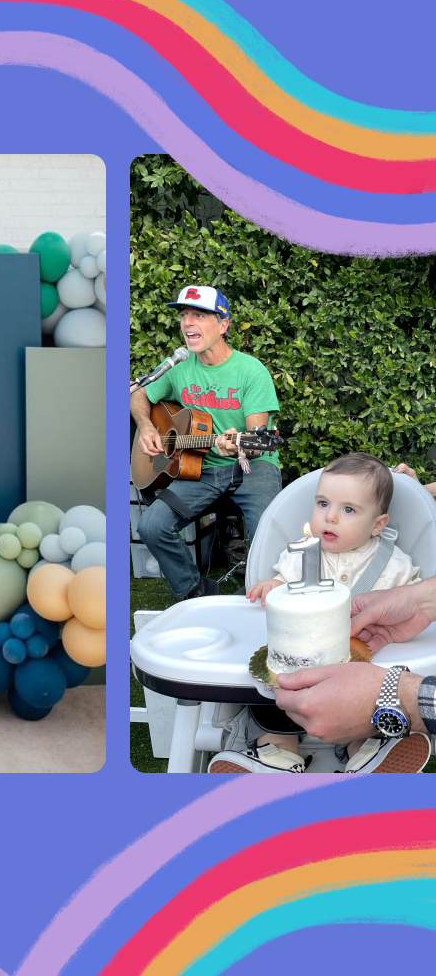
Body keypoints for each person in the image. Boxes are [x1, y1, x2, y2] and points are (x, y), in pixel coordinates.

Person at [212, 453, 424, 773]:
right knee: (275, 693)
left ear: (378, 524)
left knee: (371, 706)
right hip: (298, 665)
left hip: (364, 667)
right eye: (323, 504)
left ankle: (368, 752)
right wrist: (272, 586)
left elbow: (415, 600)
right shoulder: (302, 553)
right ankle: (277, 752)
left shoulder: (395, 565)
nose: (330, 517)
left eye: (348, 509)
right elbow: (283, 585)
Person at [131, 285, 281, 601]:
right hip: (201, 471)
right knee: (152, 526)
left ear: (223, 325)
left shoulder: (251, 371)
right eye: (184, 315)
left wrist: (241, 445)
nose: (187, 322)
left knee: (268, 531)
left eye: (198, 315)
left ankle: (258, 598)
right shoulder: (179, 367)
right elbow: (138, 393)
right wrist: (146, 426)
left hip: (254, 466)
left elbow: (258, 440)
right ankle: (194, 593)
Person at [267, 577, 436, 765]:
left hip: (354, 666)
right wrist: (421, 601)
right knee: (268, 707)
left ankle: (365, 753)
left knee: (366, 729)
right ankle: (275, 753)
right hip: (286, 661)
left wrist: (391, 695)